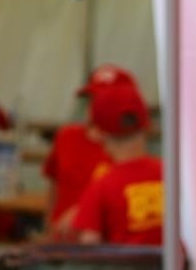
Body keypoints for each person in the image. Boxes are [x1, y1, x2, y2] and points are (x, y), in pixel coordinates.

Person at [69, 73, 163, 246]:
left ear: (99, 133)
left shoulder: (101, 186)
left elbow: (90, 245)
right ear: (147, 126)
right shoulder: (171, 174)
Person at [41, 65, 118, 236]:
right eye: (92, 98)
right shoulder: (66, 136)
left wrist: (83, 211)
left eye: (105, 100)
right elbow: (54, 185)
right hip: (62, 241)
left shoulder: (124, 150)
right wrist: (47, 228)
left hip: (103, 247)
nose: (95, 105)